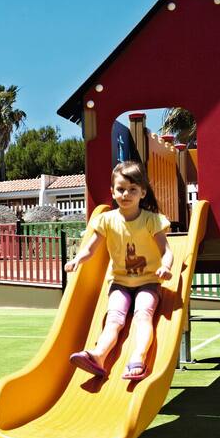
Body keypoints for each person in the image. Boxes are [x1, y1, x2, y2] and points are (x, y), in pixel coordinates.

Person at [64, 161, 173, 381]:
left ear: (142, 192)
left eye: (133, 189)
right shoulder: (106, 220)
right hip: (120, 283)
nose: (126, 194)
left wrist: (165, 266)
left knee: (143, 315)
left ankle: (139, 357)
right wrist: (76, 260)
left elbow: (166, 251)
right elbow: (90, 249)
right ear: (112, 192)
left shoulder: (151, 220)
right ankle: (98, 356)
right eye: (121, 189)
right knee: (114, 318)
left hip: (148, 282)